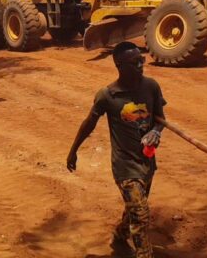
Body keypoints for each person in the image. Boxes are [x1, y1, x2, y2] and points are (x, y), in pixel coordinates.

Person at [67, 42, 167, 258]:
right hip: (125, 166)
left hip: (147, 163)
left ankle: (120, 234)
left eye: (142, 60)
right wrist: (73, 150)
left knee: (135, 208)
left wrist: (156, 132)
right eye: (135, 63)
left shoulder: (151, 87)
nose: (141, 65)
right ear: (119, 66)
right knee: (141, 215)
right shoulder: (108, 96)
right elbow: (89, 124)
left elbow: (160, 120)